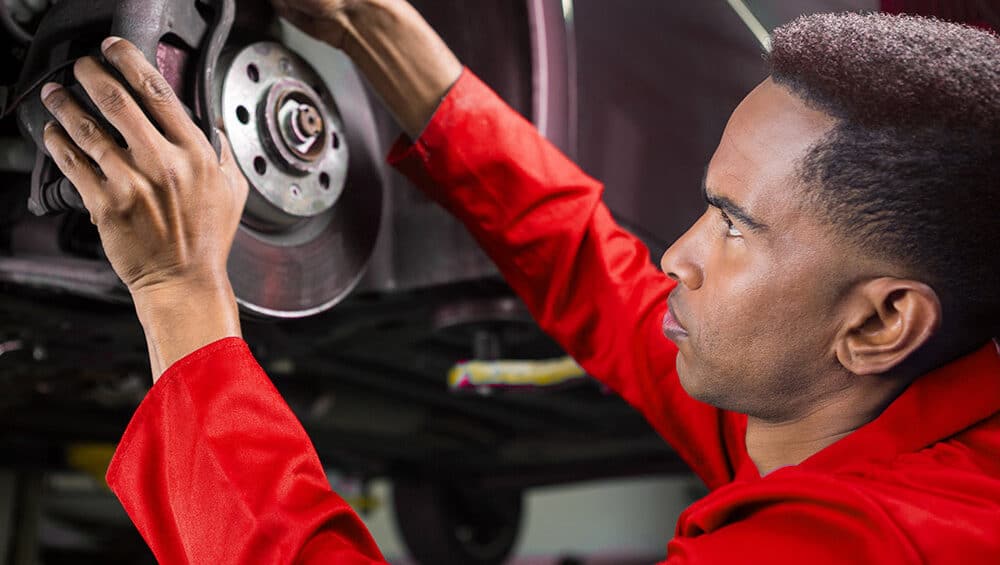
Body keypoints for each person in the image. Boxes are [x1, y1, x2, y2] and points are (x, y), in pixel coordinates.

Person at [37, 0, 1000, 562]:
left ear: (881, 321)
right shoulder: (860, 403)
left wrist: (177, 291)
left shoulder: (861, 546)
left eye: (735, 227)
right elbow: (609, 283)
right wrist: (405, 56)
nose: (677, 254)